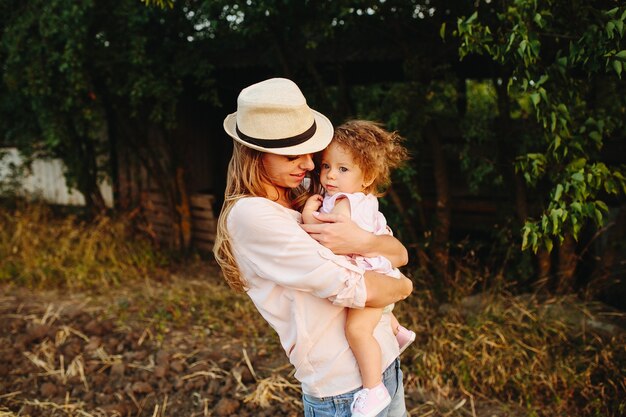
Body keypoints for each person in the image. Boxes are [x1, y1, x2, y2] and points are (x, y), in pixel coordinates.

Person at [213, 77, 413, 417]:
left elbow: (397, 251)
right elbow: (354, 286)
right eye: (293, 156)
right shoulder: (252, 216)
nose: (308, 165)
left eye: (311, 153)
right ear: (255, 155)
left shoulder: (305, 190)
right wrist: (403, 286)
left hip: (383, 360)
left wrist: (365, 242)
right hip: (343, 387)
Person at [301, 120, 416, 417]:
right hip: (378, 270)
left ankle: (373, 388)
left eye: (343, 169)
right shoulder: (364, 200)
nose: (329, 176)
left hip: (371, 277)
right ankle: (396, 330)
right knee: (371, 318)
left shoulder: (343, 202)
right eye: (326, 166)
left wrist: (308, 215)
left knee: (356, 329)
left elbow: (327, 238)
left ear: (367, 177)